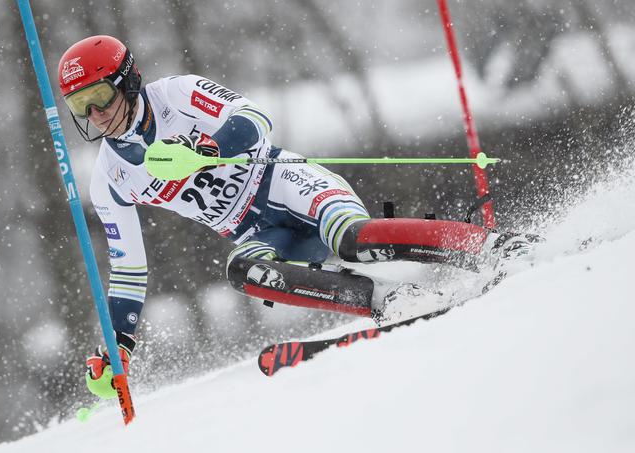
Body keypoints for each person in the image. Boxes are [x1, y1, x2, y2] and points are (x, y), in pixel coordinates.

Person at [58, 35, 537, 400]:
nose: (95, 114)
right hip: (258, 232)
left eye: (98, 96)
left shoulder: (176, 95)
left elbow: (254, 120)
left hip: (285, 183)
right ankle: (390, 301)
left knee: (353, 240)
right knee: (242, 270)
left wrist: (203, 149)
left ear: (127, 80)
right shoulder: (110, 179)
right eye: (80, 105)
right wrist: (119, 345)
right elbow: (128, 267)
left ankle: (492, 246)